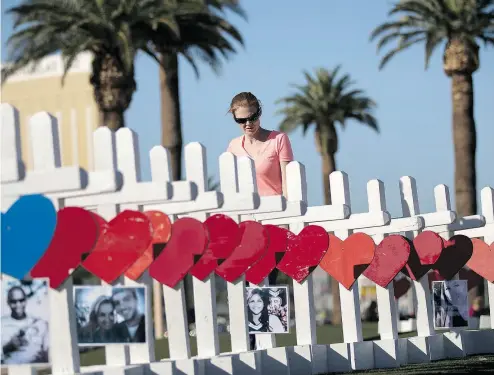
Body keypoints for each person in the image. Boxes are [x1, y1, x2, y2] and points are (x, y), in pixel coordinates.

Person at [1, 286, 49, 364]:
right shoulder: (1, 324)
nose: (18, 305)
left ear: (26, 301)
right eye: (13, 302)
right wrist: (7, 348)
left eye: (21, 300)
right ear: (8, 302)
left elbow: (48, 353)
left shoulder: (40, 323)